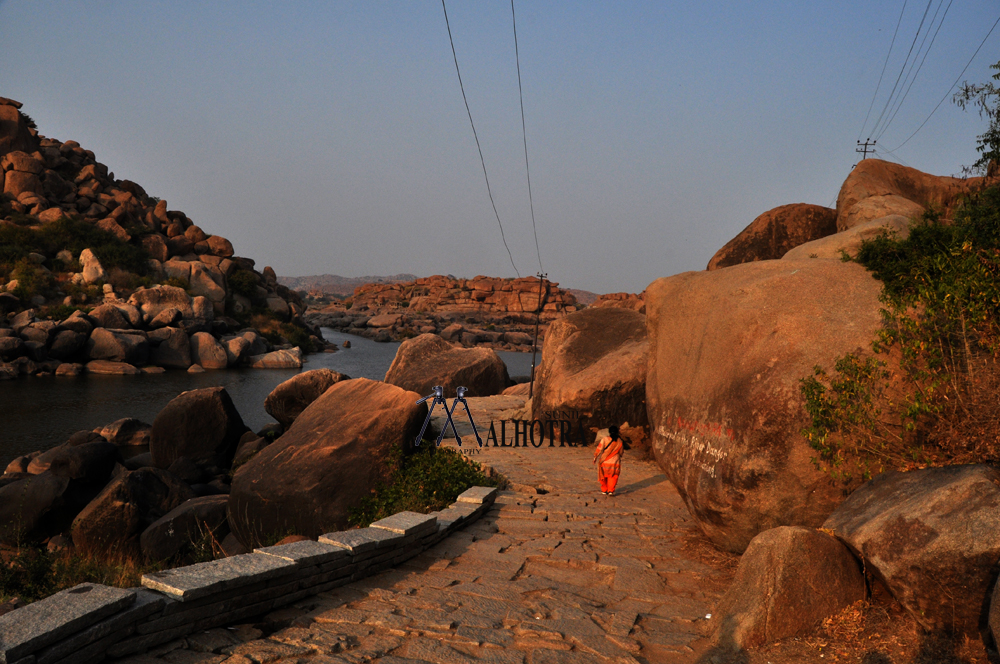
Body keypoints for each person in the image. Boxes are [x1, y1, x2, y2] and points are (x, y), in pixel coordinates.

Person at [593, 425, 624, 496]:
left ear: (609, 432)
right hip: (615, 462)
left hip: (605, 461)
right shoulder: (620, 441)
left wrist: (595, 456)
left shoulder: (605, 439)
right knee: (613, 476)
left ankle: (604, 490)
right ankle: (610, 490)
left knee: (603, 476)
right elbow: (621, 452)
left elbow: (600, 449)